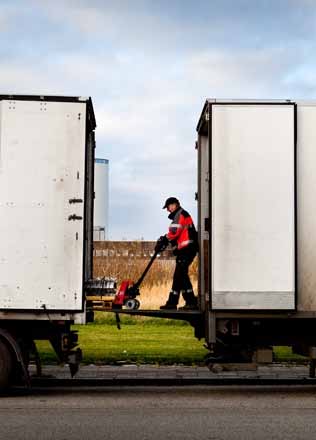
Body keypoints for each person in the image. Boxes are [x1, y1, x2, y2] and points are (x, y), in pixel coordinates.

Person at [155, 197, 198, 310]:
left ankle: (188, 302)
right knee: (179, 276)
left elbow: (174, 232)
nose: (168, 210)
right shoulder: (181, 214)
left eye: (168, 207)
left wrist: (164, 239)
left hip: (187, 250)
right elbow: (179, 235)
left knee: (180, 275)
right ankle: (176, 302)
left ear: (174, 205)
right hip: (186, 250)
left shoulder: (180, 214)